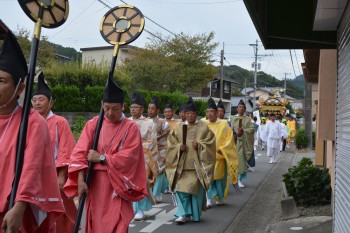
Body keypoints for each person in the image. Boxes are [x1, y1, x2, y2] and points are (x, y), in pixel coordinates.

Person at [63, 77, 148, 233]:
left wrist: (102, 158)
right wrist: (80, 180)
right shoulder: (93, 124)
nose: (110, 113)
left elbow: (130, 158)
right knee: (95, 224)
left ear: (123, 107)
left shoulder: (130, 128)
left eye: (115, 109)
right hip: (94, 184)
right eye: (106, 108)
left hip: (117, 186)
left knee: (117, 225)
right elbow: (79, 153)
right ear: (102, 105)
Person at [0, 26, 64, 232]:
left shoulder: (32, 122)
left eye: (1, 81)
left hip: (15, 207)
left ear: (19, 87)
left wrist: (19, 206)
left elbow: (32, 166)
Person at [32, 72, 77, 233]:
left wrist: (61, 175)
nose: (37, 103)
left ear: (51, 103)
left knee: (61, 212)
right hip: (32, 176)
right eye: (34, 100)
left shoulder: (60, 122)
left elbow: (66, 150)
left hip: (54, 175)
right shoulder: (29, 122)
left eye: (41, 100)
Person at [166, 97, 216, 224]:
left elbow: (210, 142)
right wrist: (178, 147)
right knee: (181, 190)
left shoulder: (203, 127)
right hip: (182, 166)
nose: (190, 116)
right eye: (188, 113)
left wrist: (199, 145)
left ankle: (195, 214)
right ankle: (182, 214)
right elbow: (171, 143)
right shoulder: (178, 127)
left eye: (193, 113)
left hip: (198, 167)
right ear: (184, 114)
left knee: (196, 192)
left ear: (196, 114)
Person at [129, 92, 158, 221]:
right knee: (127, 183)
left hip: (142, 157)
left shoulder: (149, 123)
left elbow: (152, 142)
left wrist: (136, 148)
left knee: (141, 182)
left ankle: (140, 209)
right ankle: (130, 209)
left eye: (135, 107)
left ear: (142, 109)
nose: (133, 109)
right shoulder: (125, 122)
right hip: (127, 158)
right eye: (131, 107)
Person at [205, 98, 238, 207]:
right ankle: (208, 199)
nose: (210, 114)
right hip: (206, 157)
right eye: (208, 111)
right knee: (207, 178)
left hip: (219, 156)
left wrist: (223, 149)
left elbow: (230, 139)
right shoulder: (202, 123)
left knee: (219, 179)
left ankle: (219, 197)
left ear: (216, 113)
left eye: (212, 112)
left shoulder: (224, 124)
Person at [148, 96, 170, 202]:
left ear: (157, 110)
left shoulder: (163, 122)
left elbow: (165, 137)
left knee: (160, 171)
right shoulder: (145, 121)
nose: (150, 111)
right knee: (150, 172)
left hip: (161, 150)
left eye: (152, 108)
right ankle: (158, 190)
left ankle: (156, 193)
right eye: (149, 108)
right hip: (148, 151)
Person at [230, 100, 255, 188]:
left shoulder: (247, 119)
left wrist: (243, 131)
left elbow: (252, 129)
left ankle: (239, 179)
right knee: (233, 162)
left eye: (243, 107)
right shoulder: (232, 118)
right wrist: (235, 134)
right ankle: (234, 178)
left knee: (241, 162)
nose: (241, 109)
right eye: (239, 107)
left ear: (244, 109)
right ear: (237, 109)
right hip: (234, 142)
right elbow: (229, 130)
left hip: (243, 143)